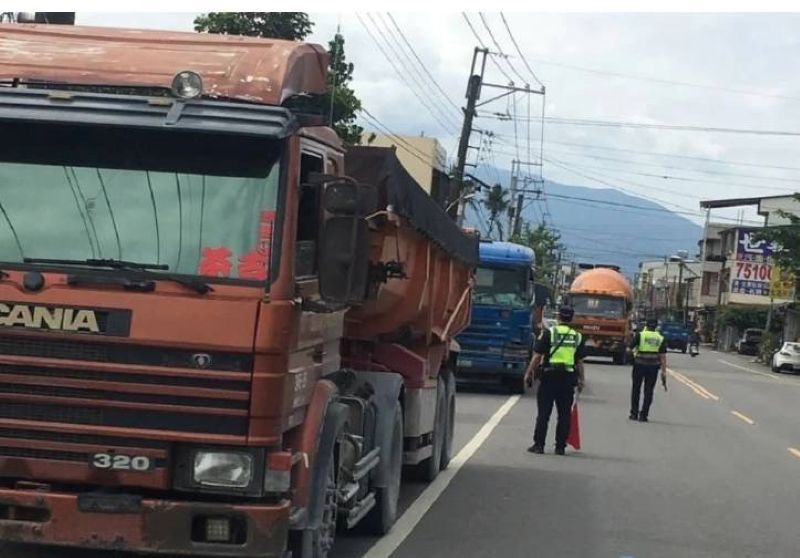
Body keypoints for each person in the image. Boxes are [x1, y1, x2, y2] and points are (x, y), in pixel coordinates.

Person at [524, 305, 586, 455]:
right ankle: (560, 447)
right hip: (567, 378)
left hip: (549, 376)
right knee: (564, 414)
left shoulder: (549, 333)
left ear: (558, 317)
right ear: (572, 318)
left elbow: (537, 356)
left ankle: (539, 445)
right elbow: (579, 362)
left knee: (544, 413)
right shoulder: (577, 337)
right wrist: (581, 380)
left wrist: (528, 373)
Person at [629, 317, 667, 422]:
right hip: (653, 367)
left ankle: (634, 414)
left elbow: (629, 348)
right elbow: (663, 356)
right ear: (656, 327)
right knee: (649, 391)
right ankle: (644, 415)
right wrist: (663, 372)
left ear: (646, 325)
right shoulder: (660, 338)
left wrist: (632, 358)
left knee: (636, 389)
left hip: (639, 365)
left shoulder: (640, 335)